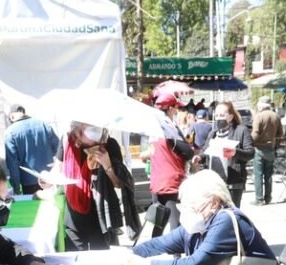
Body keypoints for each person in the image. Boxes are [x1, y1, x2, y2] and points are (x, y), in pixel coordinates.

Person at [131, 170, 286, 265]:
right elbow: (160, 243)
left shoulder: (226, 220)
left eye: (192, 206)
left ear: (214, 202)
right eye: (183, 206)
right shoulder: (196, 225)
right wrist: (130, 256)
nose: (186, 212)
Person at [51, 122, 140, 250]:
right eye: (89, 129)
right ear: (78, 131)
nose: (96, 139)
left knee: (102, 264)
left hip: (101, 218)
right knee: (74, 261)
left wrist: (107, 165)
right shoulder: (67, 141)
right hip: (73, 216)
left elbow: (120, 184)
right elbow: (57, 168)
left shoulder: (110, 145)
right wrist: (46, 180)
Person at [195, 101, 255, 207]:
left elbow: (250, 153)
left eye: (222, 115)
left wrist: (235, 152)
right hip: (214, 182)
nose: (218, 118)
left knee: (231, 214)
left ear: (230, 117)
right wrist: (199, 157)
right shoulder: (213, 133)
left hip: (233, 181)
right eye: (216, 115)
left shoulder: (241, 130)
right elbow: (205, 151)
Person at [148, 93, 194, 231]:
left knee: (158, 222)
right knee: (175, 222)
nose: (177, 111)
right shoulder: (169, 129)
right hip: (171, 180)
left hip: (157, 180)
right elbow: (188, 152)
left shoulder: (153, 128)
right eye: (176, 107)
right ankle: (177, 252)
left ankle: (154, 249)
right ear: (169, 108)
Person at [3, 104, 60, 195]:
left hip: (29, 183)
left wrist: (16, 188)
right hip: (50, 179)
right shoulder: (43, 124)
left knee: (35, 208)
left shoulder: (10, 132)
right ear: (23, 112)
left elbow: (13, 164)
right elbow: (58, 150)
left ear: (12, 115)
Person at [251, 96, 283, 204]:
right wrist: (275, 145)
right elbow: (280, 134)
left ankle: (259, 199)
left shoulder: (258, 116)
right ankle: (268, 198)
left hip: (259, 148)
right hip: (271, 148)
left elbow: (255, 133)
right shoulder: (276, 116)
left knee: (258, 174)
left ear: (261, 105)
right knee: (269, 175)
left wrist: (250, 143)